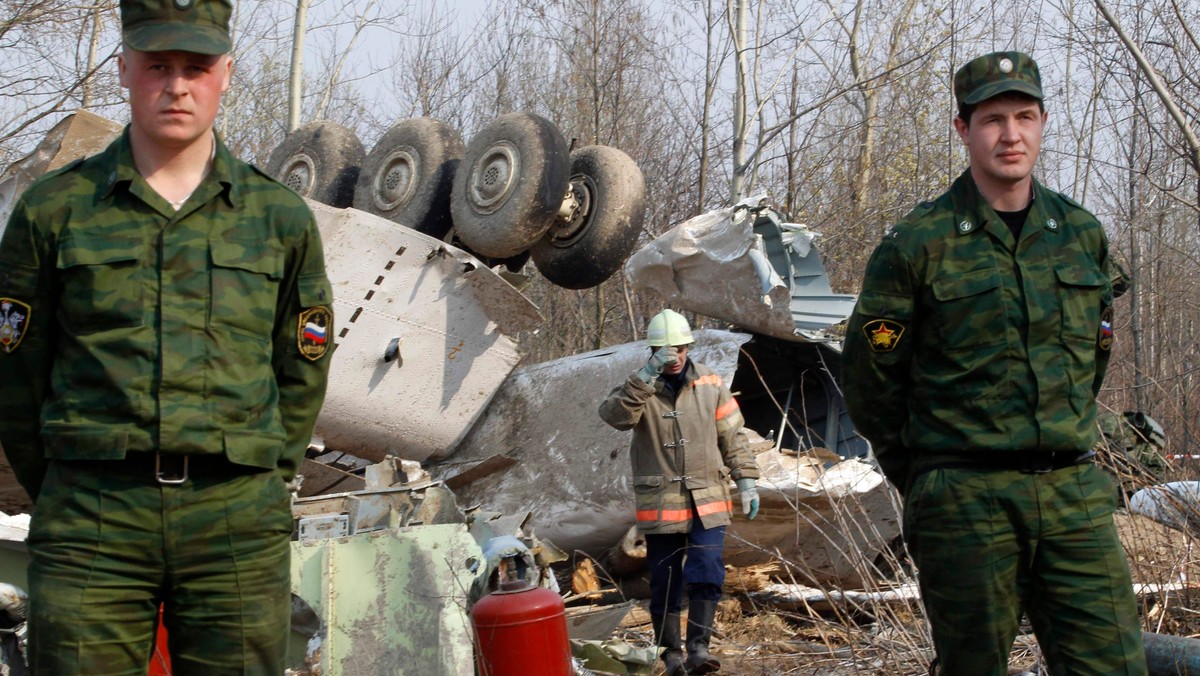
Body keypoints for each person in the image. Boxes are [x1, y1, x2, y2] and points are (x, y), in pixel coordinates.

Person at [0, 0, 334, 673]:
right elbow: (15, 372)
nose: (176, 85)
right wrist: (66, 485)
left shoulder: (278, 218)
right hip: (96, 517)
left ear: (226, 73)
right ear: (124, 67)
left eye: (196, 66)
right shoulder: (56, 209)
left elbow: (301, 368)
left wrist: (265, 479)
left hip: (234, 521)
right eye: (157, 65)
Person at [841, 52, 1146, 675]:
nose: (1012, 134)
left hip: (1073, 493)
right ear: (963, 130)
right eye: (993, 119)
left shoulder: (1081, 234)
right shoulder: (917, 244)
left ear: (1043, 123)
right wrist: (929, 475)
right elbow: (871, 383)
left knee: (1114, 663)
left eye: (1025, 116)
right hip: (965, 499)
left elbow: (1094, 358)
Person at [599, 309, 760, 675]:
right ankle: (671, 655)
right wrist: (645, 376)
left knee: (707, 570)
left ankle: (699, 650)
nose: (675, 357)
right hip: (661, 504)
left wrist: (746, 479)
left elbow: (733, 436)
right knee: (665, 580)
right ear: (653, 350)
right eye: (665, 350)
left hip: (709, 497)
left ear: (689, 347)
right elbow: (615, 416)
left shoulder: (710, 383)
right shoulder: (638, 386)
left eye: (680, 349)